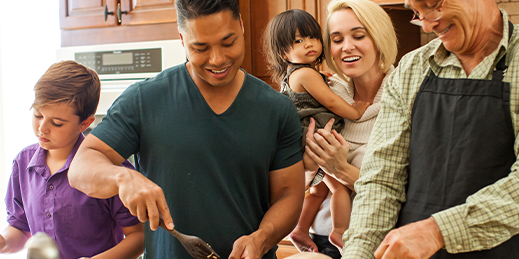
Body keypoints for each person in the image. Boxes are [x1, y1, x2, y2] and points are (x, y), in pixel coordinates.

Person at [341, 0, 519, 258]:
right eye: (417, 12)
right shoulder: (411, 69)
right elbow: (381, 181)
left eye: (433, 4)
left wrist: (437, 232)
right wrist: (358, 254)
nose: (428, 22)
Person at [67, 0, 306, 258]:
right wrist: (123, 178)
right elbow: (81, 168)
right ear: (182, 39)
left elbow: (288, 195)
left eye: (228, 42)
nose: (218, 59)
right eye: (200, 47)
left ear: (242, 27)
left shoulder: (277, 110)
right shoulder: (145, 100)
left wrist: (262, 238)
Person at [0, 60, 145, 259]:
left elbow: (138, 237)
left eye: (57, 123)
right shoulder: (22, 163)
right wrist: (1, 242)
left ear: (85, 123)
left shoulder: (110, 169)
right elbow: (21, 230)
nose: (42, 129)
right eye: (38, 115)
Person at [294, 0, 398, 258]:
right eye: (336, 39)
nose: (346, 47)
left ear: (379, 38)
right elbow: (301, 182)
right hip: (320, 238)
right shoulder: (322, 94)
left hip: (381, 242)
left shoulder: (405, 98)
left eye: (359, 35)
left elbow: (406, 192)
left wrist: (341, 169)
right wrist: (307, 167)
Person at [262, 8, 370, 252]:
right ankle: (340, 231)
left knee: (318, 189)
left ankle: (299, 229)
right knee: (338, 187)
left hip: (303, 140)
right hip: (316, 137)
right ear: (283, 52)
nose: (309, 44)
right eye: (298, 41)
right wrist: (357, 111)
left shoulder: (299, 74)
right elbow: (331, 103)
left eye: (312, 37)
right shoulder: (307, 74)